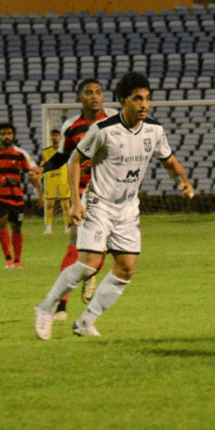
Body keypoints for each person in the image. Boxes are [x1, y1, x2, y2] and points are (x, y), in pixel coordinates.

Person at [33, 72, 194, 340]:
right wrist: (75, 202)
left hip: (128, 208)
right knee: (89, 264)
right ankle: (46, 307)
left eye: (147, 99)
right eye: (138, 99)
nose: (144, 104)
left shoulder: (154, 130)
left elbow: (168, 159)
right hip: (98, 204)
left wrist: (184, 180)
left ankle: (86, 321)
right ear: (123, 101)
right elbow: (74, 160)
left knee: (126, 268)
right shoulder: (103, 129)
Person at [29, 78, 117, 322]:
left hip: (110, 193)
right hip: (82, 194)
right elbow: (63, 157)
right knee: (74, 243)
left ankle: (89, 275)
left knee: (107, 250)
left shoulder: (114, 120)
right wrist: (42, 169)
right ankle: (60, 306)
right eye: (88, 93)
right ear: (80, 98)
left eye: (98, 92)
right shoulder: (72, 126)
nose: (94, 96)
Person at [0, 123, 44, 268]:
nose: (7, 136)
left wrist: (40, 194)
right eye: (4, 134)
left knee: (17, 227)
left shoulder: (21, 154)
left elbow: (33, 174)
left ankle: (18, 260)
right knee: (2, 221)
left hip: (17, 196)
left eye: (10, 133)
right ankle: (8, 259)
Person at [39, 129, 71, 235]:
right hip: (51, 180)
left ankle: (67, 226)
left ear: (60, 137)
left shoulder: (66, 151)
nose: (55, 138)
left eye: (57, 136)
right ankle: (48, 227)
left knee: (66, 205)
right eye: (53, 136)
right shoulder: (46, 152)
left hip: (63, 180)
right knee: (50, 205)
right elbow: (42, 166)